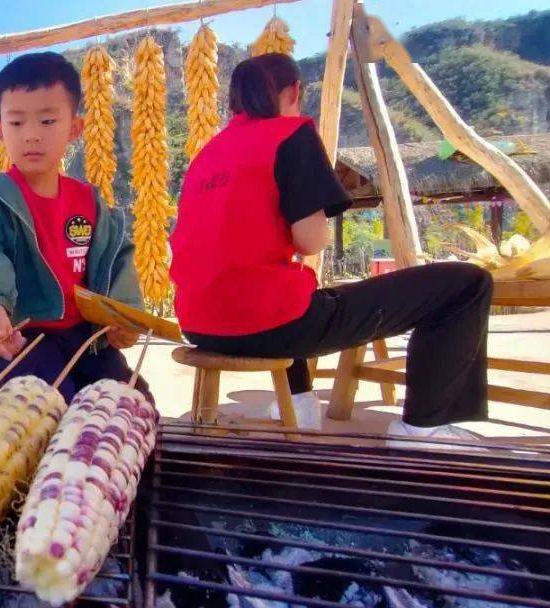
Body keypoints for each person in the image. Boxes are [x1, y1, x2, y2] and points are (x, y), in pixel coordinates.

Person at [169, 53, 492, 448]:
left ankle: (301, 402)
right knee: (466, 284)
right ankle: (423, 427)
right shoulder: (291, 134)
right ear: (295, 92)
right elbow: (311, 240)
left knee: (284, 282)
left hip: (199, 323)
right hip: (267, 326)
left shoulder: (206, 155)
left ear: (235, 101)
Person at [0, 52, 152, 404]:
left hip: (87, 338)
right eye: (17, 124)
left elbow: (117, 257)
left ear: (74, 129)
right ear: (0, 130)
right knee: (50, 404)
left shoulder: (88, 200)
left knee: (129, 402)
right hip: (25, 337)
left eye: (47, 121)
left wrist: (124, 319)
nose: (31, 135)